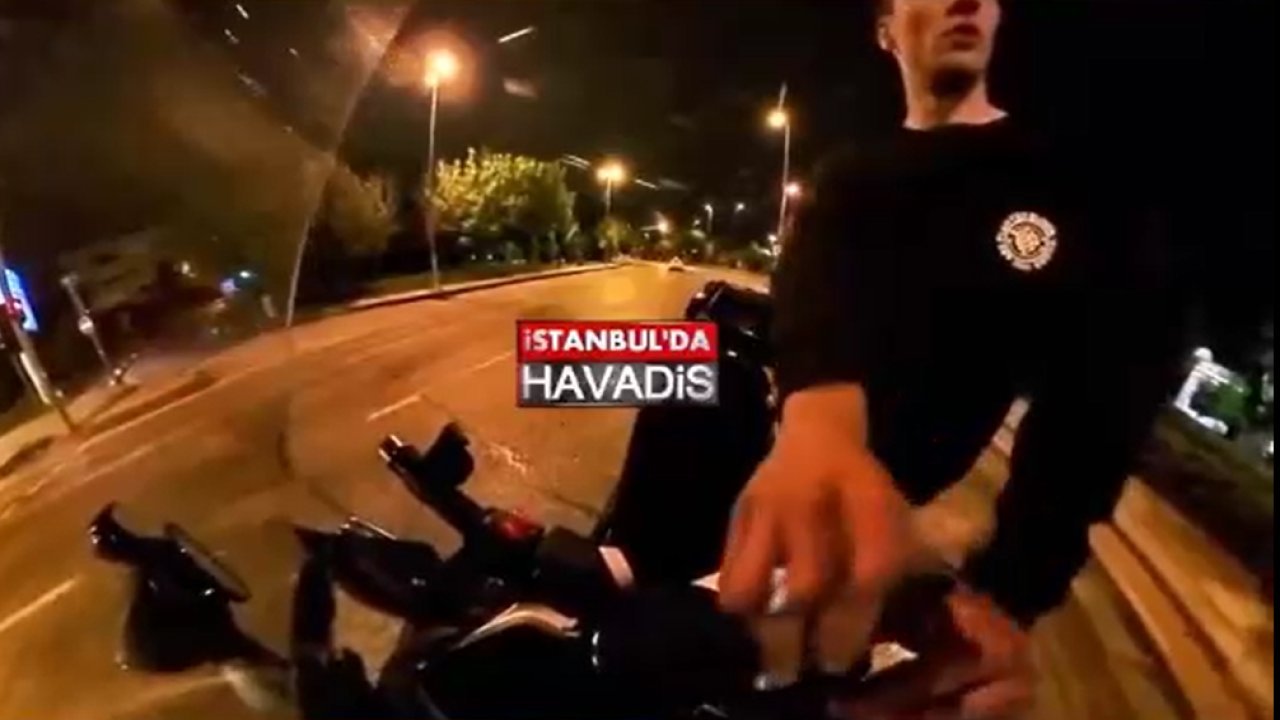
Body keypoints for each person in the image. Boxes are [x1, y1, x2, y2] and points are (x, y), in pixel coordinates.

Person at [718, 0, 1185, 718]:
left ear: (996, 19)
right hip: (732, 477)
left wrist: (1008, 596)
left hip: (844, 555)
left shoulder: (1066, 189)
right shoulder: (849, 179)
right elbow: (814, 303)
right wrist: (818, 427)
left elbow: (1106, 392)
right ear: (886, 30)